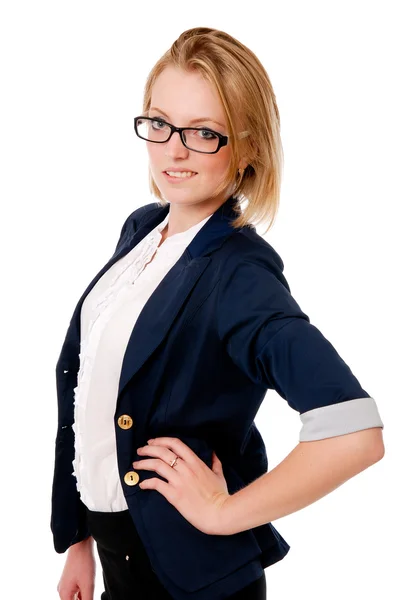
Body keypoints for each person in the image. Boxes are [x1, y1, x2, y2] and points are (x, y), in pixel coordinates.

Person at [52, 27, 385, 600]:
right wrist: (80, 539)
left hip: (193, 582)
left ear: (249, 147)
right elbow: (90, 394)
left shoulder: (240, 274)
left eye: (204, 133)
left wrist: (224, 512)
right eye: (160, 123)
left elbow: (353, 430)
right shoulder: (142, 230)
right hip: (119, 563)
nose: (173, 150)